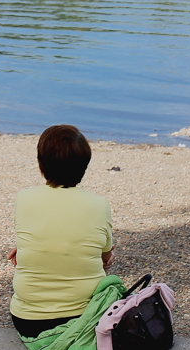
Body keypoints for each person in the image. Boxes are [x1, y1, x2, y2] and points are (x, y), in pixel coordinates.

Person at [9, 124, 116, 336]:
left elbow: (44, 235)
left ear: (40, 163)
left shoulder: (24, 199)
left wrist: (26, 251)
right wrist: (104, 257)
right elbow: (105, 257)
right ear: (84, 167)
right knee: (110, 276)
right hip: (84, 320)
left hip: (28, 322)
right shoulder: (99, 204)